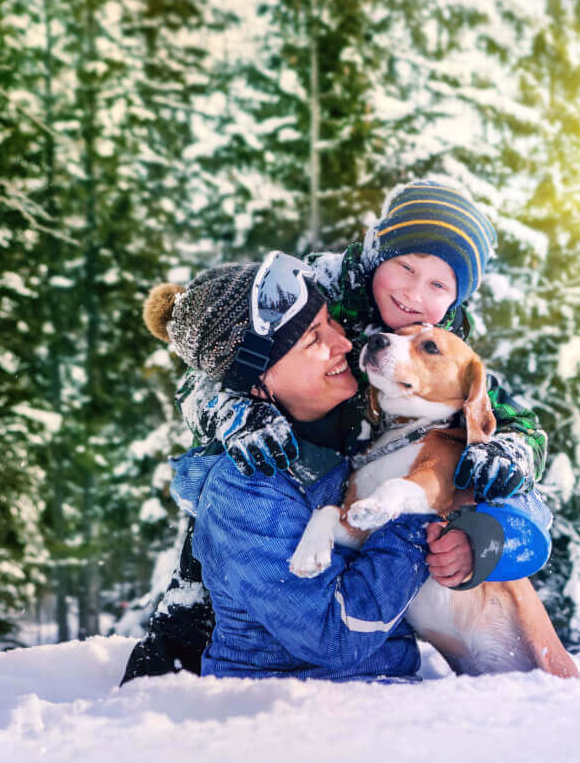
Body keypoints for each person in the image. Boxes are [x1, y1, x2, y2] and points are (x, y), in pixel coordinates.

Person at [120, 179, 550, 681]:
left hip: (350, 487)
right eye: (406, 268)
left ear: (455, 298)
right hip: (283, 464)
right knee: (238, 525)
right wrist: (239, 416)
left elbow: (502, 428)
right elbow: (213, 371)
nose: (414, 295)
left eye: (439, 285)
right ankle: (177, 648)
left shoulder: (440, 343)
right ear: (376, 252)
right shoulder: (317, 292)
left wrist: (494, 505)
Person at [134, 259, 473, 680]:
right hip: (285, 708)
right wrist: (418, 520)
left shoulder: (347, 435)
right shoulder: (245, 488)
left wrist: (485, 534)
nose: (345, 344)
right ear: (259, 385)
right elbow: (338, 636)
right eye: (314, 339)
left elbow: (493, 439)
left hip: (375, 694)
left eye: (330, 321)